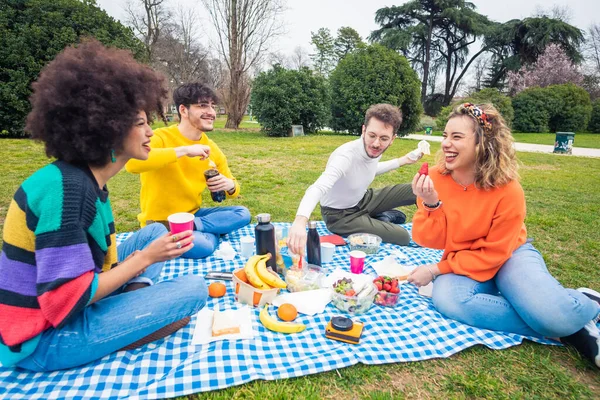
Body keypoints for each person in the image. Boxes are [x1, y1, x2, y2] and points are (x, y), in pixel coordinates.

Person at [0, 40, 207, 372]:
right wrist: (146, 259)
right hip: (43, 339)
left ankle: (132, 307)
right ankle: (134, 318)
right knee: (194, 289)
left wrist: (144, 255)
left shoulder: (83, 178)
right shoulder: (67, 191)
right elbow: (64, 302)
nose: (151, 132)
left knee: (153, 231)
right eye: (140, 123)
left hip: (70, 300)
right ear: (107, 127)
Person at [408, 103, 600, 368]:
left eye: (457, 137)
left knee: (554, 314)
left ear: (481, 143)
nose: (446, 144)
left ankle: (585, 304)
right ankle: (573, 330)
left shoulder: (508, 190)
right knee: (449, 300)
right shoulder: (435, 179)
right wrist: (430, 204)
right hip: (464, 258)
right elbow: (427, 239)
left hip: (509, 254)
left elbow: (495, 253)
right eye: (445, 136)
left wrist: (435, 269)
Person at [125, 83, 251, 259]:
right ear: (183, 110)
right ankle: (208, 232)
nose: (211, 112)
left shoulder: (211, 148)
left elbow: (233, 190)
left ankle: (196, 229)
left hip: (193, 216)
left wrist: (229, 185)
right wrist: (183, 151)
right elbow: (132, 164)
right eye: (202, 105)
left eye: (212, 106)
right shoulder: (160, 137)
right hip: (160, 223)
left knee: (242, 213)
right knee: (204, 246)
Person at [287, 103, 419, 255]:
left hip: (362, 199)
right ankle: (379, 220)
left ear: (392, 139)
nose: (376, 143)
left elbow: (367, 169)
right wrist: (299, 222)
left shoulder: (374, 149)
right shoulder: (346, 156)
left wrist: (403, 160)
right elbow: (318, 188)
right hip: (340, 216)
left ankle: (375, 219)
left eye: (383, 138)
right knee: (402, 236)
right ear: (363, 130)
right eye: (372, 135)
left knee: (414, 189)